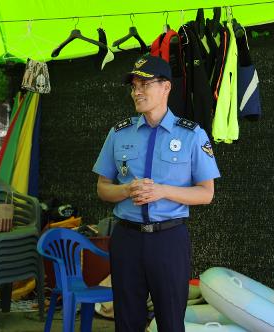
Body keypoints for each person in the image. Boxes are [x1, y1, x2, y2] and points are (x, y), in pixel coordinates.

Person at [93, 54, 220, 332]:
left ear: (166, 87)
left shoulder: (192, 135)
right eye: (134, 85)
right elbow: (103, 188)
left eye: (145, 84)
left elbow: (206, 193)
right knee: (126, 321)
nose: (137, 91)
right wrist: (126, 189)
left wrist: (162, 191)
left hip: (169, 240)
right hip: (126, 239)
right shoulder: (119, 133)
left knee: (171, 321)